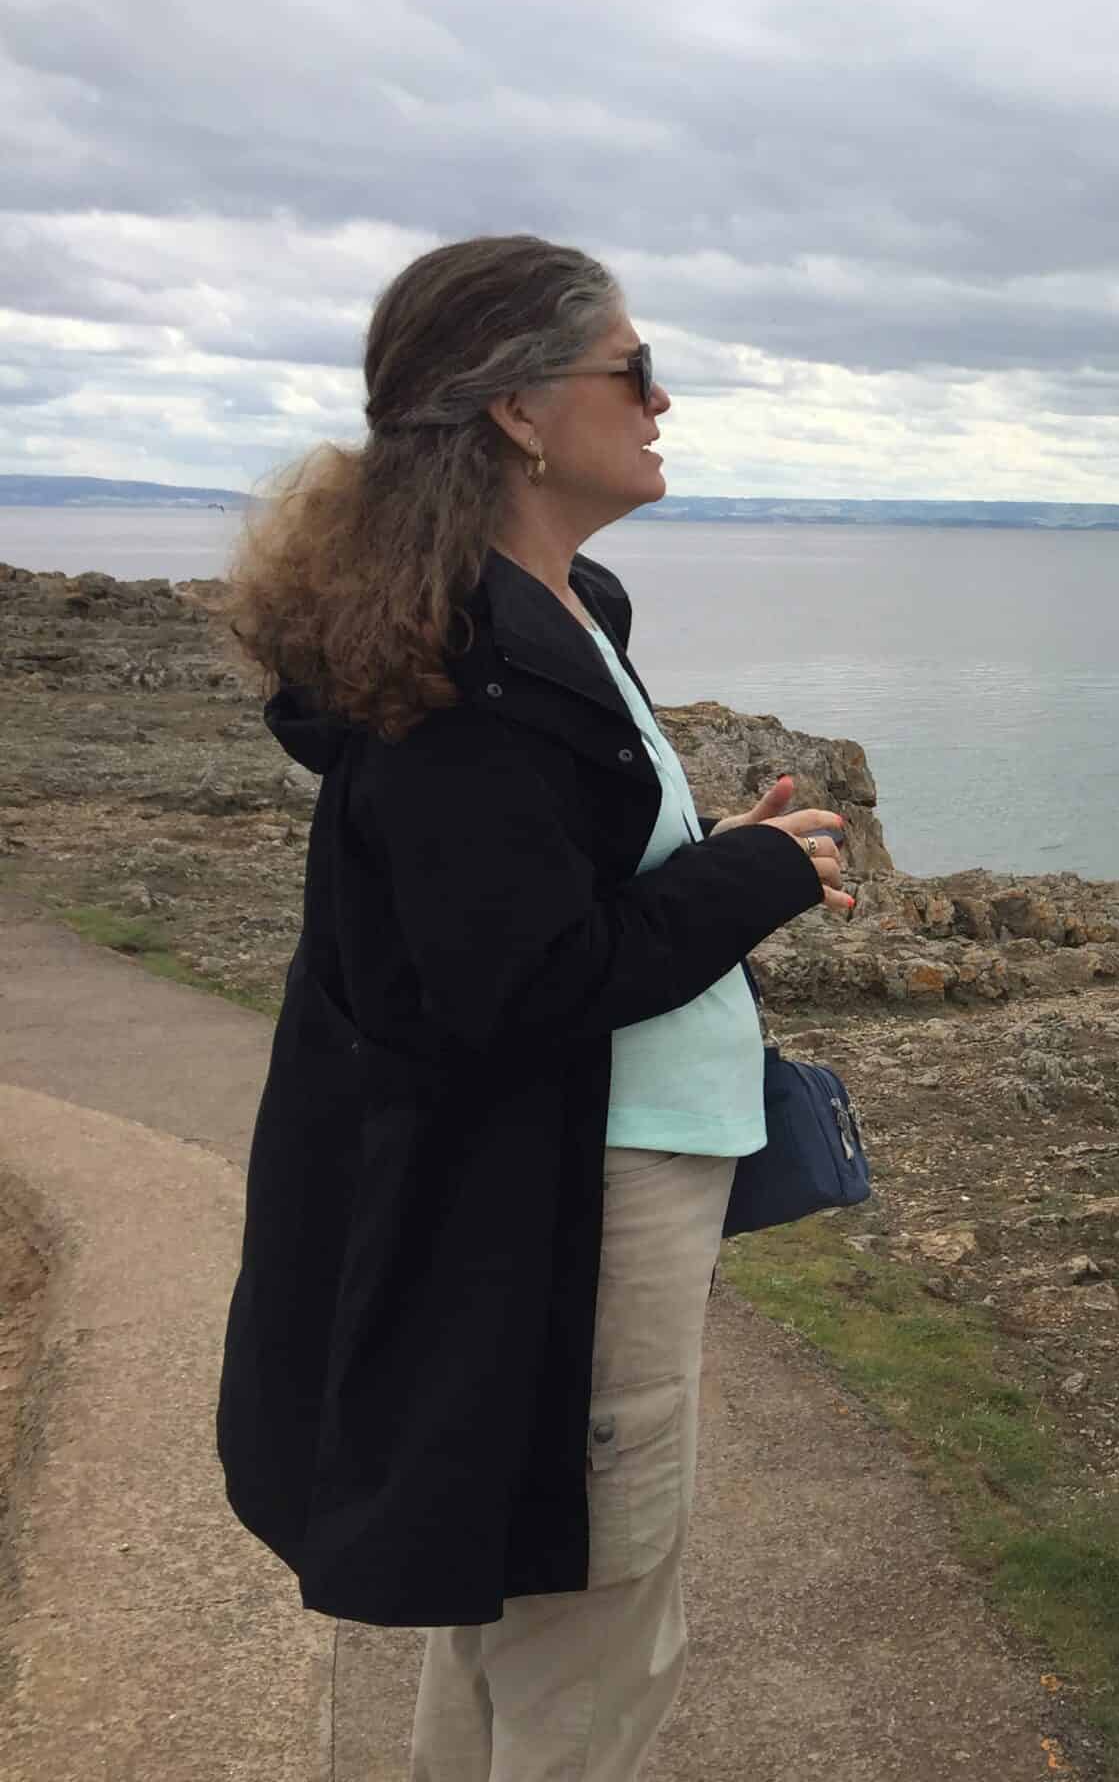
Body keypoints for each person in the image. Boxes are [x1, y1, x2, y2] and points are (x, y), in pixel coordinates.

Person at [215, 234, 856, 1778]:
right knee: (599, 1624)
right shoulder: (466, 664)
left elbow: (533, 899)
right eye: (632, 370)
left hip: (598, 1167)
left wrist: (710, 854)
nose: (662, 400)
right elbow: (519, 986)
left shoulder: (552, 609)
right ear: (516, 409)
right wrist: (751, 878)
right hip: (573, 1189)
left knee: (522, 1603)